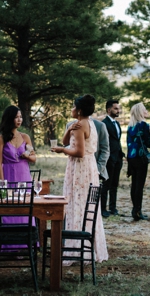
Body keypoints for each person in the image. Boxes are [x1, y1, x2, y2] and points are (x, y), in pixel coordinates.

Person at [51, 95, 108, 263]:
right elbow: (66, 141)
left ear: (80, 110)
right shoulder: (88, 123)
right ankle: (90, 248)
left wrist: (62, 151)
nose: (72, 109)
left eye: (74, 106)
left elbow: (79, 152)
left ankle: (76, 250)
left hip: (80, 168)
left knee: (77, 205)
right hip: (89, 168)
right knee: (86, 206)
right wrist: (69, 130)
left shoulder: (80, 125)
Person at [0, 105, 37, 250]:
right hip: (9, 176)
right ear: (9, 118)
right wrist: (2, 184)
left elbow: (34, 158)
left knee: (25, 210)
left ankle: (24, 245)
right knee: (7, 211)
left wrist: (27, 155)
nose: (19, 120)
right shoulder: (0, 139)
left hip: (24, 176)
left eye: (20, 117)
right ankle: (5, 246)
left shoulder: (25, 137)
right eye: (16, 117)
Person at [126, 103, 150, 221]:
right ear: (140, 112)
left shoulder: (130, 126)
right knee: (139, 185)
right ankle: (138, 210)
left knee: (134, 184)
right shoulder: (144, 126)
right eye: (144, 109)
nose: (146, 111)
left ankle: (134, 209)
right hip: (141, 158)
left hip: (131, 157)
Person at [102, 99, 123, 218]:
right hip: (109, 157)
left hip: (118, 157)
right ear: (109, 109)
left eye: (118, 108)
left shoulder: (117, 123)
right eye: (115, 108)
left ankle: (113, 207)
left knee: (115, 184)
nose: (118, 110)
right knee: (106, 183)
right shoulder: (104, 123)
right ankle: (103, 208)